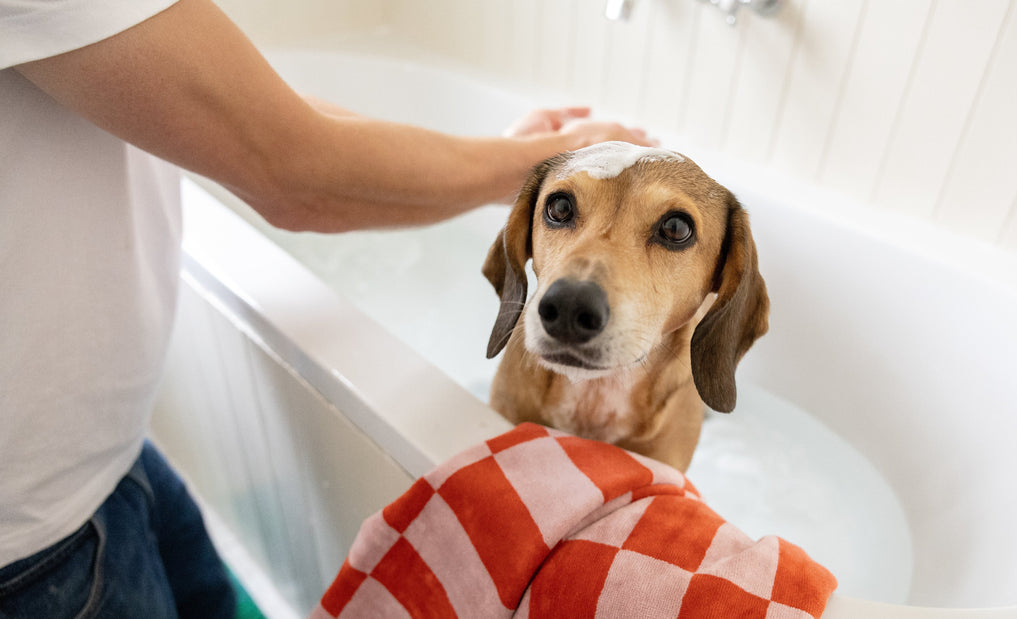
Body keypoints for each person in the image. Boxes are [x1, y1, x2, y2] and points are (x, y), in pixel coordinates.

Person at [0, 0, 654, 616]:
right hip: (34, 536)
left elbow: (268, 119)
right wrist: (538, 166)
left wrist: (506, 158)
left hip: (95, 464)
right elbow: (288, 168)